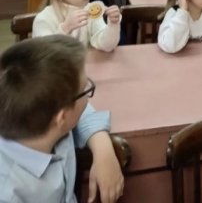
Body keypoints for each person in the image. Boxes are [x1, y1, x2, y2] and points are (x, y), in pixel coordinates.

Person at [0, 35, 124, 203]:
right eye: (84, 89)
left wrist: (103, 150)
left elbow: (82, 112)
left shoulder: (33, 117)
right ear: (62, 117)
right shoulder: (8, 193)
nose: (87, 95)